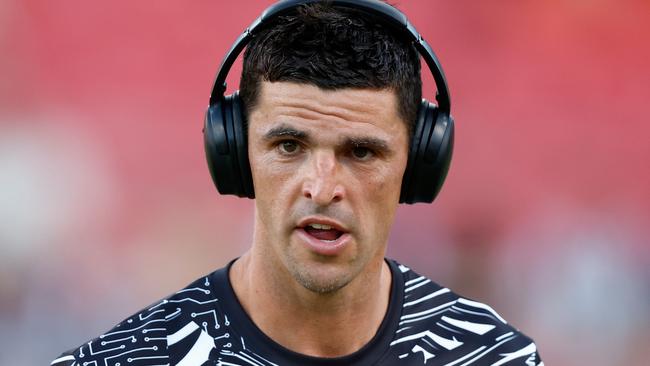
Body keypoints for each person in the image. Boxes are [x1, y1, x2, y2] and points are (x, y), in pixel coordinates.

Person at [52, 1, 543, 365]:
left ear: (417, 166)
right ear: (236, 153)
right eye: (289, 146)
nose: (322, 187)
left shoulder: (495, 357)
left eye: (362, 151)